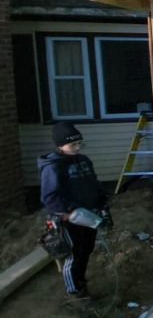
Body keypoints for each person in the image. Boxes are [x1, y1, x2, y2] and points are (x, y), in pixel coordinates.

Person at [39, 122, 110, 299]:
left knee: (87, 248)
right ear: (60, 146)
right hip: (69, 218)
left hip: (89, 214)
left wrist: (102, 205)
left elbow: (94, 184)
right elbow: (49, 197)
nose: (77, 147)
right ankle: (75, 291)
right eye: (73, 145)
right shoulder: (53, 166)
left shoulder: (84, 161)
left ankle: (81, 282)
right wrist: (70, 211)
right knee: (75, 252)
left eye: (80, 143)